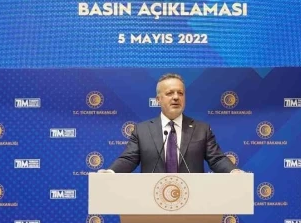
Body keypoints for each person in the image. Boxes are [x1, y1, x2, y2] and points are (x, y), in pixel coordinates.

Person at [99, 73, 243, 174]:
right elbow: (129, 159)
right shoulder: (142, 130)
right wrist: (111, 172)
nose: (176, 97)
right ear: (158, 99)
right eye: (169, 93)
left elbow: (217, 159)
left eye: (180, 93)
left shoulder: (202, 129)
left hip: (192, 200)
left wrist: (233, 171)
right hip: (152, 200)